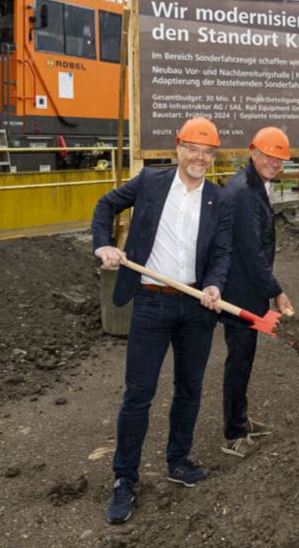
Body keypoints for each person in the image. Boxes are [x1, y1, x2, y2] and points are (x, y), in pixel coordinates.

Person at [91, 116, 232, 524]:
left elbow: (222, 252)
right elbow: (106, 205)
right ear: (178, 147)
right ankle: (124, 479)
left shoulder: (218, 199)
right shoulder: (151, 182)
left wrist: (214, 286)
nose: (200, 158)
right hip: (151, 303)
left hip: (195, 308)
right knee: (139, 394)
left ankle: (178, 460)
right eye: (194, 148)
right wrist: (103, 244)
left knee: (189, 388)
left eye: (208, 152)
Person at [219, 127, 293, 458]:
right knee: (239, 360)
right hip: (239, 291)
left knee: (245, 358)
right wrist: (277, 292)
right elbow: (250, 252)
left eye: (279, 159)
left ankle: (241, 418)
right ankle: (234, 433)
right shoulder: (243, 193)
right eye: (268, 156)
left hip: (248, 287)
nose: (273, 163)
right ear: (253, 152)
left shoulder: (254, 184)